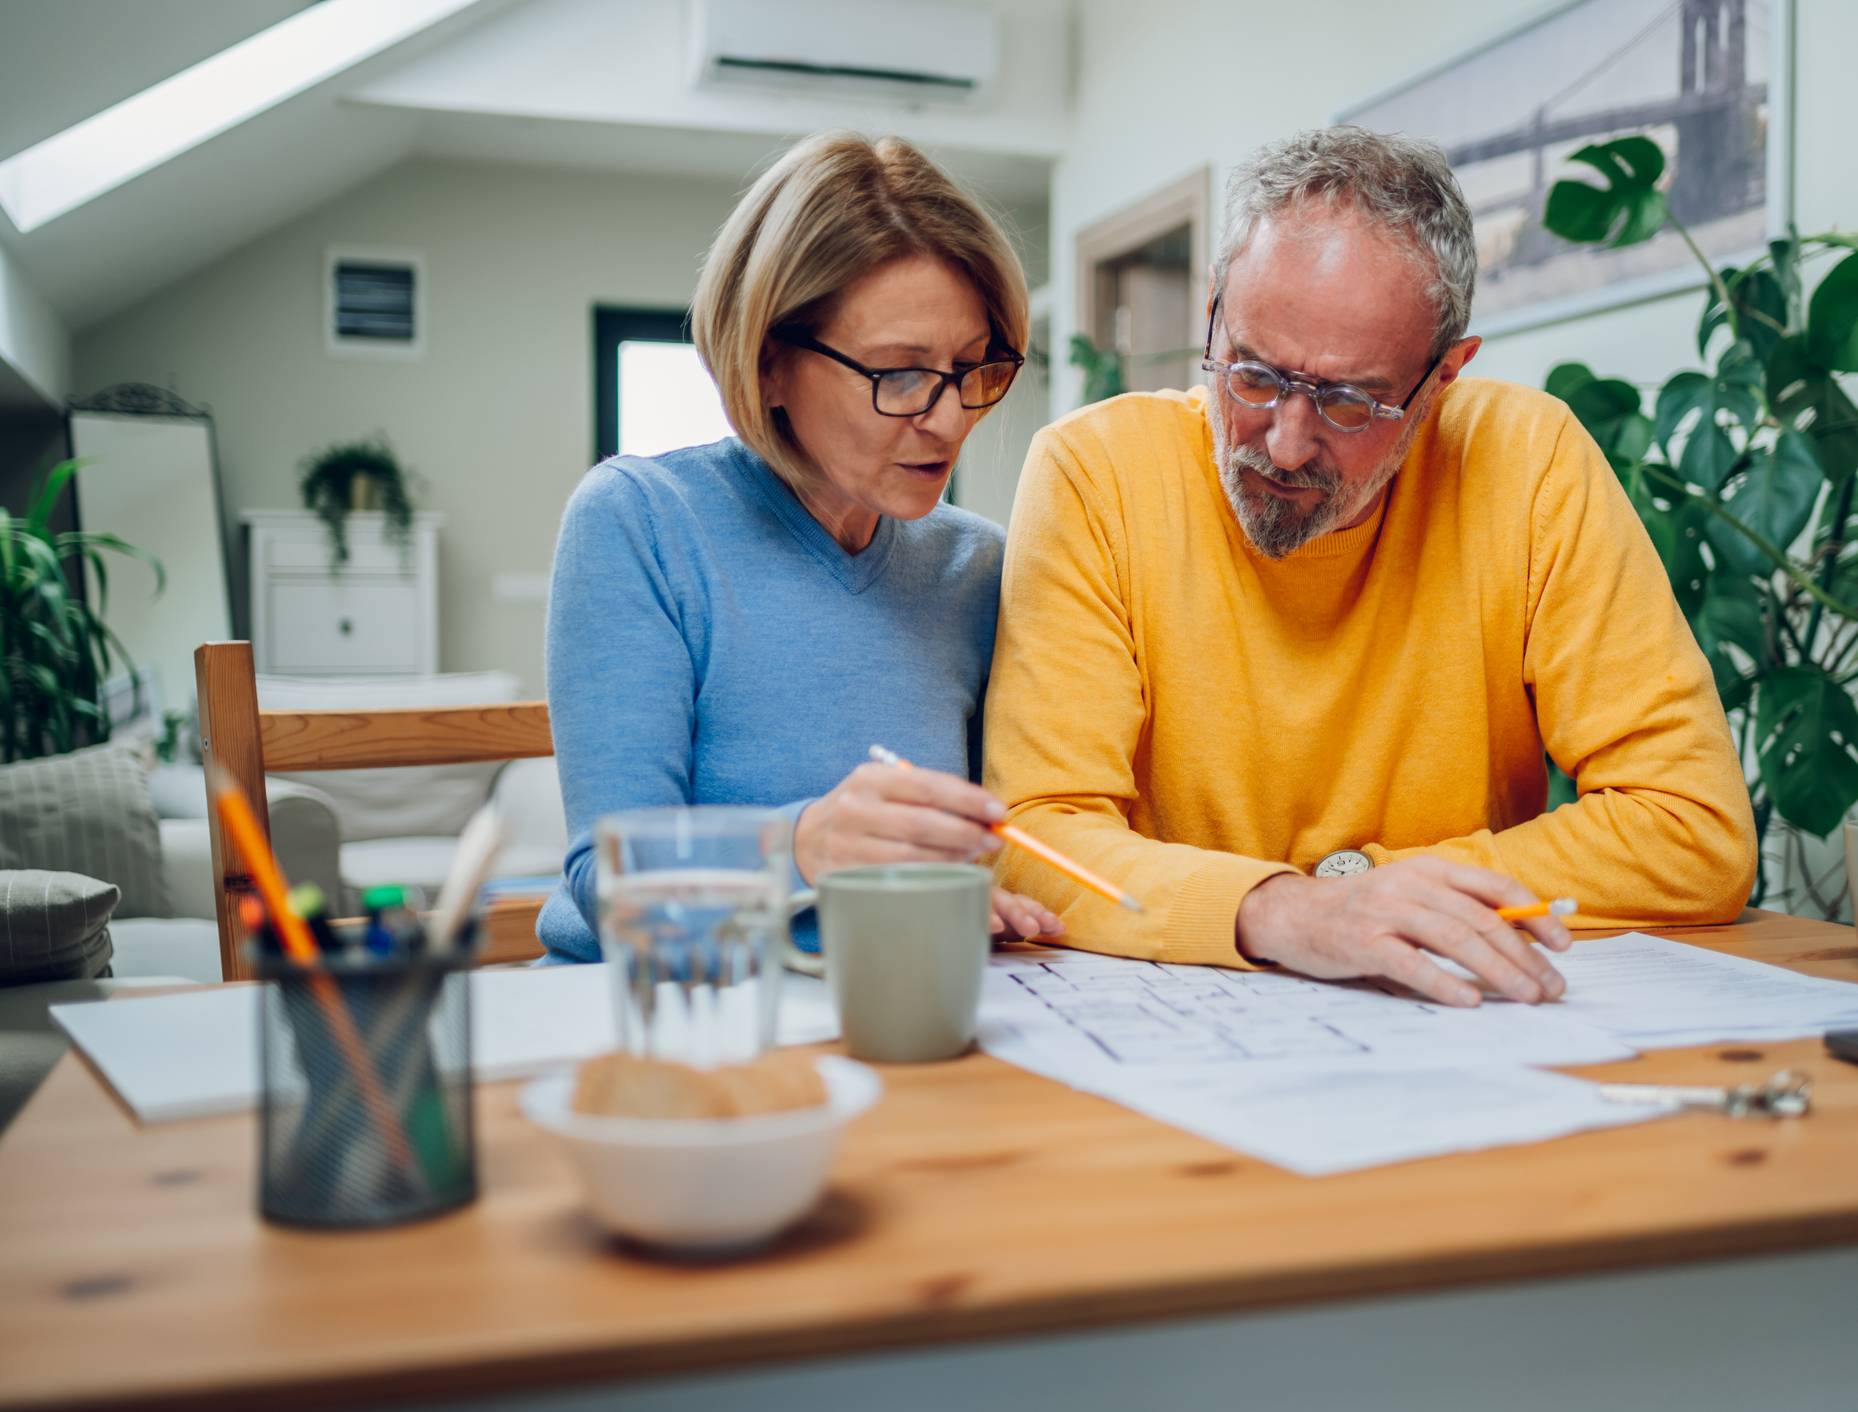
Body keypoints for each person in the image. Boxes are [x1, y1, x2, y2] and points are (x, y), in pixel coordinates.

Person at [982, 127, 1756, 1006]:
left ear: (1444, 378)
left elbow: (1694, 830)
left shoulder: (1529, 464)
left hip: (1447, 1021)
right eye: (1254, 374)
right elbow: (1035, 840)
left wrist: (1363, 889)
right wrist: (1285, 913)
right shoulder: (1095, 475)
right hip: (1164, 1017)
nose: (1284, 441)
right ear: (1214, 314)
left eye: (1350, 402)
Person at [538, 132, 1063, 964]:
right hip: (662, 1011)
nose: (950, 418)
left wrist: (976, 890)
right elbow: (611, 888)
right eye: (899, 373)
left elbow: (982, 845)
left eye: (973, 368)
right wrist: (807, 846)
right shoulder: (639, 523)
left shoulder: (978, 569)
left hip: (879, 994)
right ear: (769, 363)